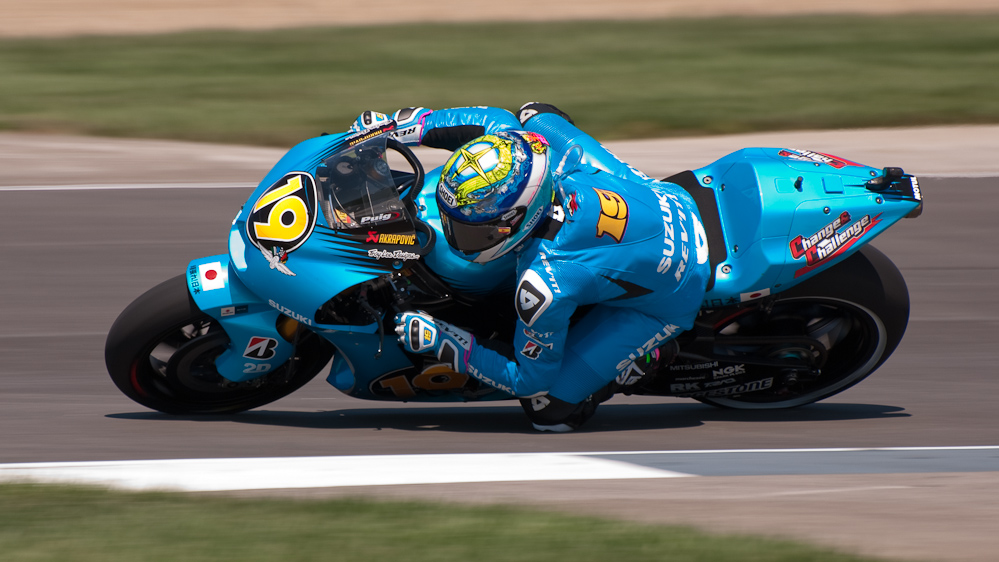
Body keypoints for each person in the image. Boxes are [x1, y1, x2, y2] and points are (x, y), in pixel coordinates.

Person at [349, 103, 711, 431]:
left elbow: (529, 381)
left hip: (678, 286)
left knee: (548, 408)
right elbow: (485, 120)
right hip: (664, 200)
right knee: (535, 114)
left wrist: (445, 341)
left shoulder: (544, 284)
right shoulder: (526, 148)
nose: (456, 235)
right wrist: (387, 129)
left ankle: (649, 357)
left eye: (472, 229)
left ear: (518, 219)